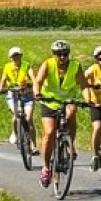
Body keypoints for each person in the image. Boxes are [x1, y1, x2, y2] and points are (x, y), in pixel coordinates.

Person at [32, 39, 92, 188]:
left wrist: (88, 99)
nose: (62, 57)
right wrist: (37, 93)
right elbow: (38, 81)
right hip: (49, 102)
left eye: (65, 54)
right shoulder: (48, 64)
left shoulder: (75, 66)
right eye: (59, 54)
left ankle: (69, 145)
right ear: (54, 55)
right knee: (50, 132)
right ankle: (46, 168)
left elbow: (83, 85)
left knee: (72, 111)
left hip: (67, 100)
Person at [0, 46, 37, 151]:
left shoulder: (27, 65)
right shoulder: (7, 67)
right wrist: (0, 89)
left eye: (17, 55)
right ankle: (15, 133)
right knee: (16, 115)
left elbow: (34, 79)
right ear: (10, 57)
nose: (16, 58)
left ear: (21, 56)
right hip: (13, 95)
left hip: (27, 95)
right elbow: (3, 79)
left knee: (29, 119)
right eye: (13, 56)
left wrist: (31, 85)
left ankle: (33, 144)